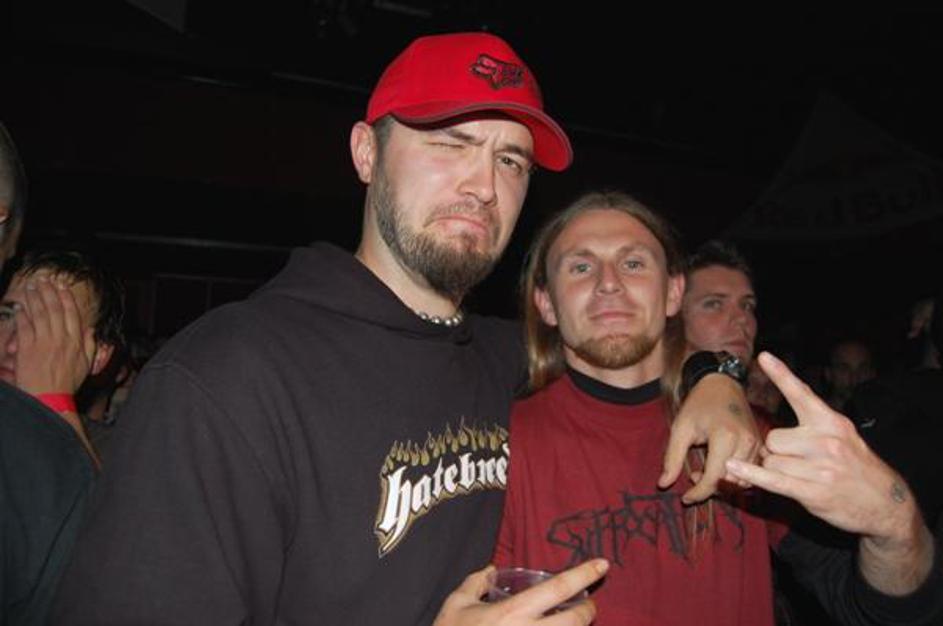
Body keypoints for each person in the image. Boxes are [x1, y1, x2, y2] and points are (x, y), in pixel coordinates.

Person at [53, 33, 756, 625]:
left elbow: (624, 348)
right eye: (451, 143)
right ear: (366, 153)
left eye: (509, 160)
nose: (484, 186)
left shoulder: (501, 356)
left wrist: (716, 377)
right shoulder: (227, 378)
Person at [494, 191, 772, 625]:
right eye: (581, 267)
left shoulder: (742, 431)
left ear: (674, 293)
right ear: (546, 304)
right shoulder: (502, 444)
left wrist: (884, 530)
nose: (608, 282)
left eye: (634, 263)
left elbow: (851, 589)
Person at [823, 338, 876, 412]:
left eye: (862, 370)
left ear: (872, 373)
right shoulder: (815, 415)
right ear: (828, 374)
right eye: (844, 369)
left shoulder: (885, 414)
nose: (854, 378)